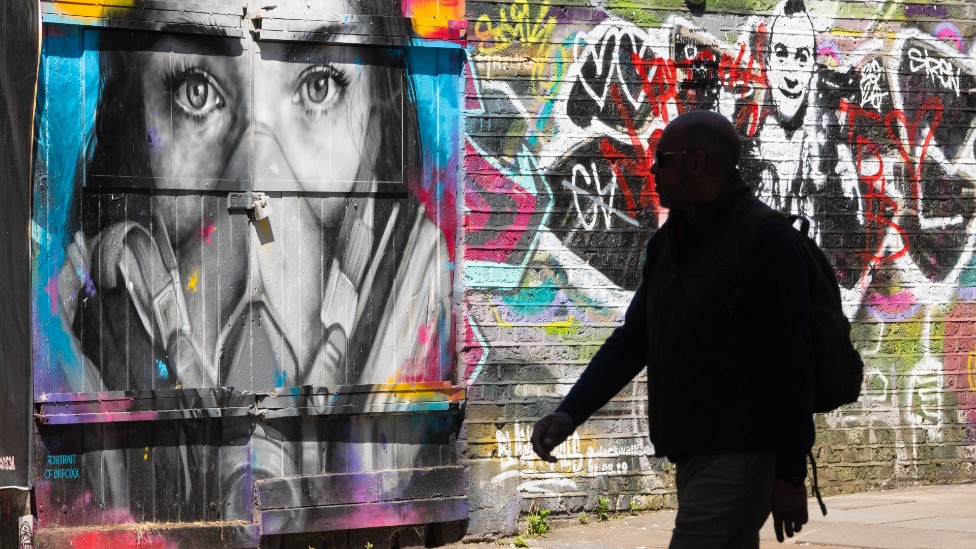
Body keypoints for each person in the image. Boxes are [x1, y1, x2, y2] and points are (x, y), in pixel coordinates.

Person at [531, 110, 816, 547]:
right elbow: (634, 339)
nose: (652, 168)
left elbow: (792, 360)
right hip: (695, 452)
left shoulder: (762, 238)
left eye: (663, 158)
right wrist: (571, 413)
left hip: (739, 452)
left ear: (697, 163)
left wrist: (791, 474)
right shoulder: (671, 243)